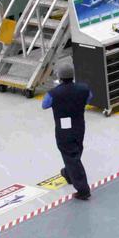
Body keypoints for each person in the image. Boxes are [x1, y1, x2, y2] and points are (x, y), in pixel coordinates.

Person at [42, 63, 92, 200]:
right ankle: (68, 174)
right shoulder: (83, 89)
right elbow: (89, 99)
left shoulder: (54, 93)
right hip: (79, 126)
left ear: (60, 77)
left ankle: (83, 190)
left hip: (64, 130)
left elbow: (44, 105)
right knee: (76, 150)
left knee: (71, 156)